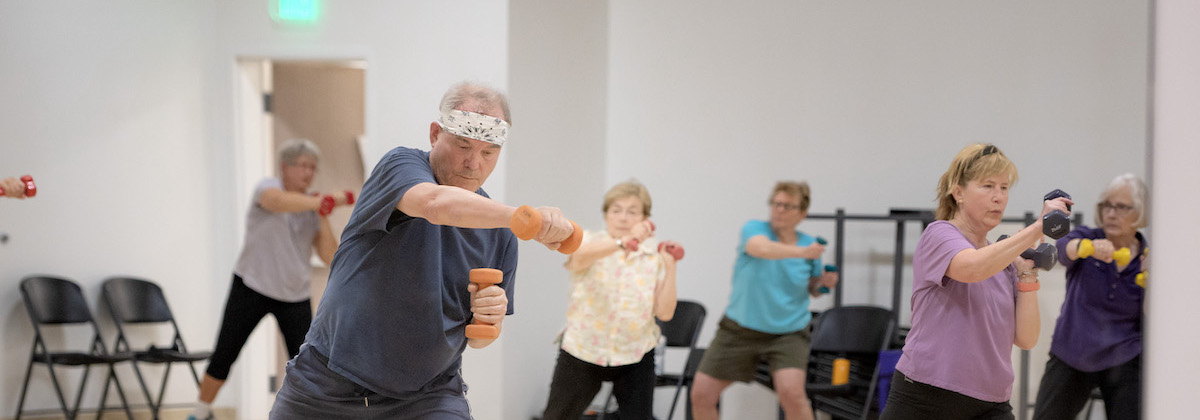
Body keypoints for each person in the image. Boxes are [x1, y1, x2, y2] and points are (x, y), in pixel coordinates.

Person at [269, 82, 577, 419]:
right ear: (435, 134)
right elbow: (434, 204)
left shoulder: (500, 233)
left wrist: (489, 316)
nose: (473, 163)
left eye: (488, 152)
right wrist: (525, 219)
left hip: (427, 397)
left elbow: (479, 339)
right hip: (327, 384)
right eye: (463, 145)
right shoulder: (400, 167)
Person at [880, 143, 1072, 420]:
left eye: (1004, 188)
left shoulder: (1003, 259)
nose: (999, 198)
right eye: (988, 186)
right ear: (958, 192)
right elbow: (972, 268)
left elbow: (1026, 338)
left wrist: (1026, 273)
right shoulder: (939, 234)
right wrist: (1038, 228)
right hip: (925, 397)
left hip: (990, 404)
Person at [188, 139, 352, 420]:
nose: (309, 173)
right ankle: (199, 413)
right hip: (251, 286)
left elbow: (329, 256)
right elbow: (276, 202)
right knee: (225, 354)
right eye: (303, 166)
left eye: (313, 168)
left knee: (306, 364)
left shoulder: (313, 207)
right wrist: (321, 201)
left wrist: (322, 212)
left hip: (294, 295)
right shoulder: (267, 188)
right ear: (284, 167)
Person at [691, 181, 839, 420]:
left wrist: (824, 284)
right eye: (777, 204)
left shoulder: (808, 245)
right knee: (702, 394)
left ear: (802, 213)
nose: (780, 210)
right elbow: (761, 249)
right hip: (739, 330)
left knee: (792, 395)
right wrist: (802, 253)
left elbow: (812, 287)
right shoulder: (755, 229)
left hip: (788, 333)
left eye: (788, 206)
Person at [540, 180, 680, 420]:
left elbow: (665, 313)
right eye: (616, 210)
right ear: (606, 215)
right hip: (583, 349)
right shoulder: (586, 242)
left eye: (632, 211)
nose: (623, 218)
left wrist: (671, 266)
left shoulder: (653, 255)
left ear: (645, 219)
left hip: (635, 352)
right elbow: (579, 259)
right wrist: (621, 243)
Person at [1032, 174, 1147, 420]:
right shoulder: (1088, 237)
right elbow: (1063, 250)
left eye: (1122, 207)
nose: (1112, 214)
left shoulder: (1148, 258)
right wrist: (1088, 248)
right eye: (1107, 205)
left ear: (1140, 213)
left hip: (1123, 355)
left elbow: (1153, 317)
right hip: (1073, 350)